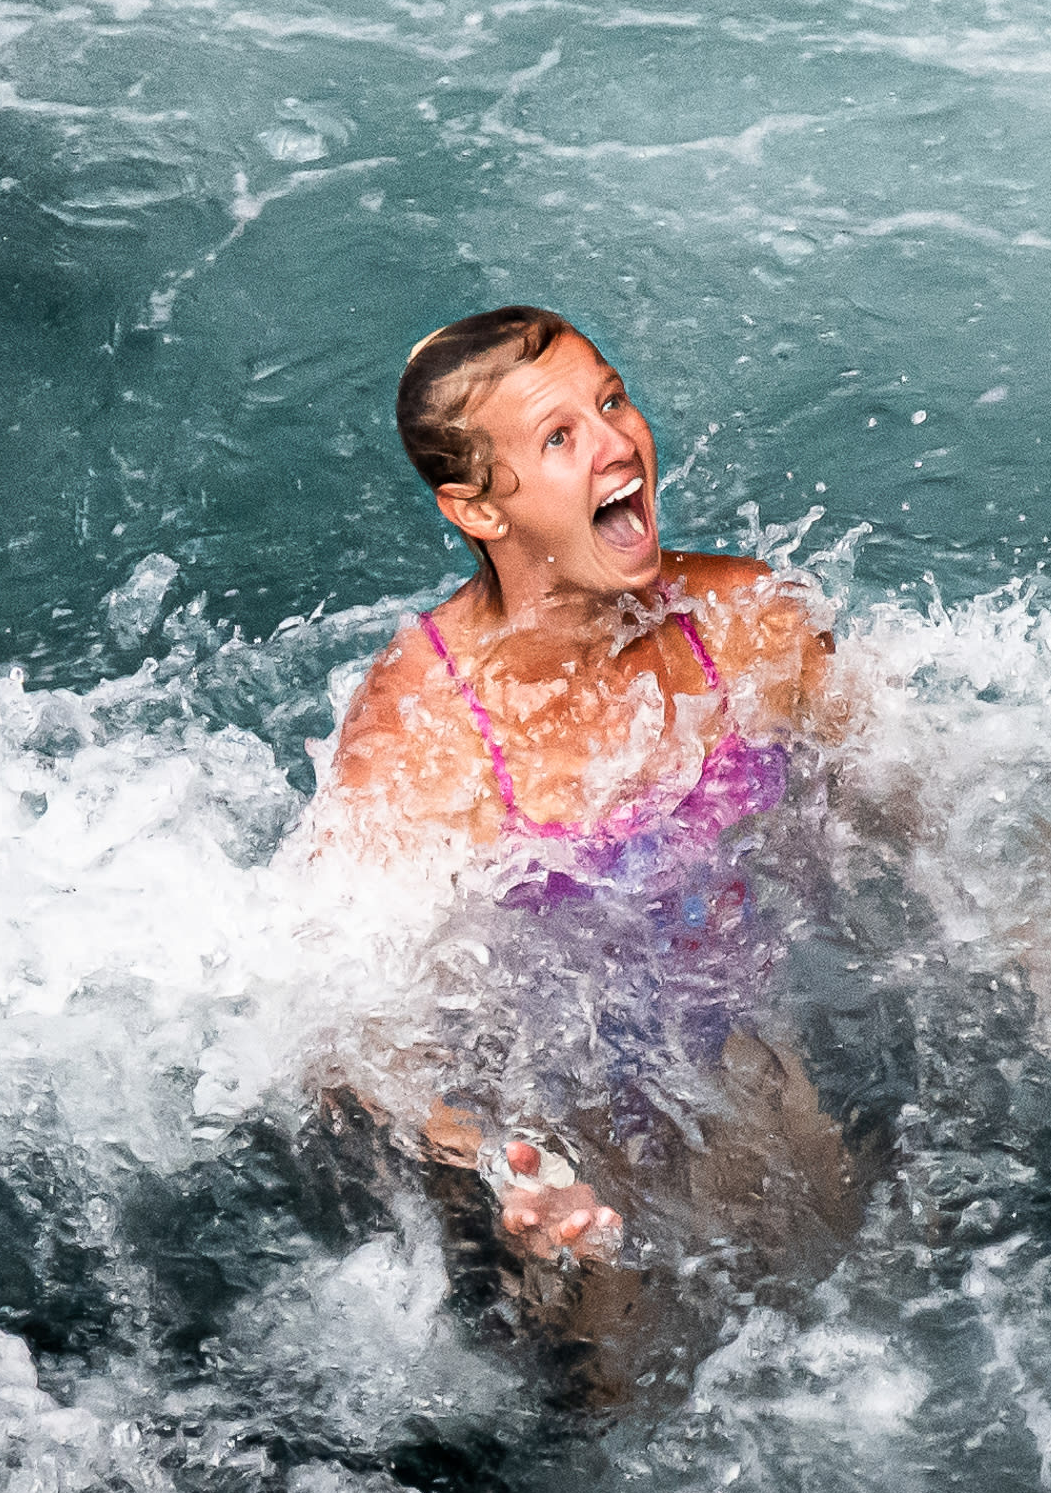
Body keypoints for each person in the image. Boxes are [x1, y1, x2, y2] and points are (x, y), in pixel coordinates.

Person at [312, 304, 863, 1405]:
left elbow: (896, 801)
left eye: (612, 400)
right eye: (559, 436)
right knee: (619, 1407)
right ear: (477, 507)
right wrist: (488, 1162)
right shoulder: (423, 733)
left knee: (865, 1318)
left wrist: (1033, 943)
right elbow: (341, 1035)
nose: (617, 442)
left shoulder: (748, 619)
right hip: (560, 1135)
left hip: (747, 1059)